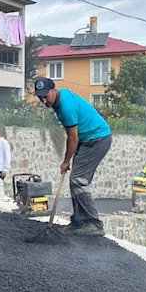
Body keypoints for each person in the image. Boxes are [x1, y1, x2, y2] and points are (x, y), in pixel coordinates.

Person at [34, 77, 112, 236]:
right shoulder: (59, 98)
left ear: (54, 90)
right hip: (88, 139)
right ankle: (78, 222)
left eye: (46, 96)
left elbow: (72, 138)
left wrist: (66, 161)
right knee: (76, 181)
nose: (43, 101)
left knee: (78, 180)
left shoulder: (65, 106)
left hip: (96, 139)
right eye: (39, 97)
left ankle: (94, 223)